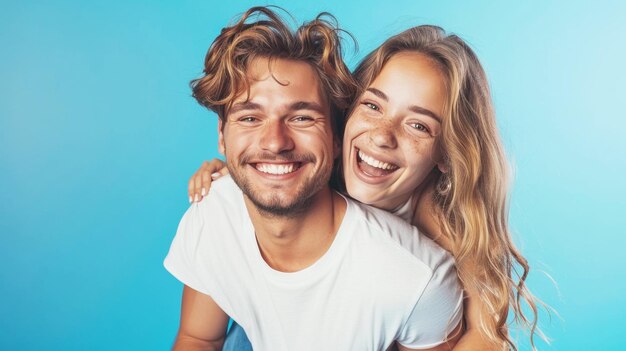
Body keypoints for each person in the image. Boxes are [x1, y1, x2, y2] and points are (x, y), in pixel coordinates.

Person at [190, 20, 542, 351]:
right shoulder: (322, 165)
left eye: (418, 125)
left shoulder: (439, 231)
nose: (382, 136)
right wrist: (235, 173)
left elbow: (486, 333)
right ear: (346, 111)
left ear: (447, 153)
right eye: (373, 106)